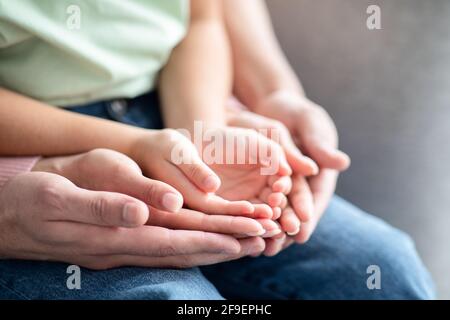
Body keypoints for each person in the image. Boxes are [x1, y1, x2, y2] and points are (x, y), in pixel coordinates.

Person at [0, 0, 435, 299]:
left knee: (384, 267)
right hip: (35, 146)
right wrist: (135, 145)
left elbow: (201, 20)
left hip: (164, 109)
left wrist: (201, 138)